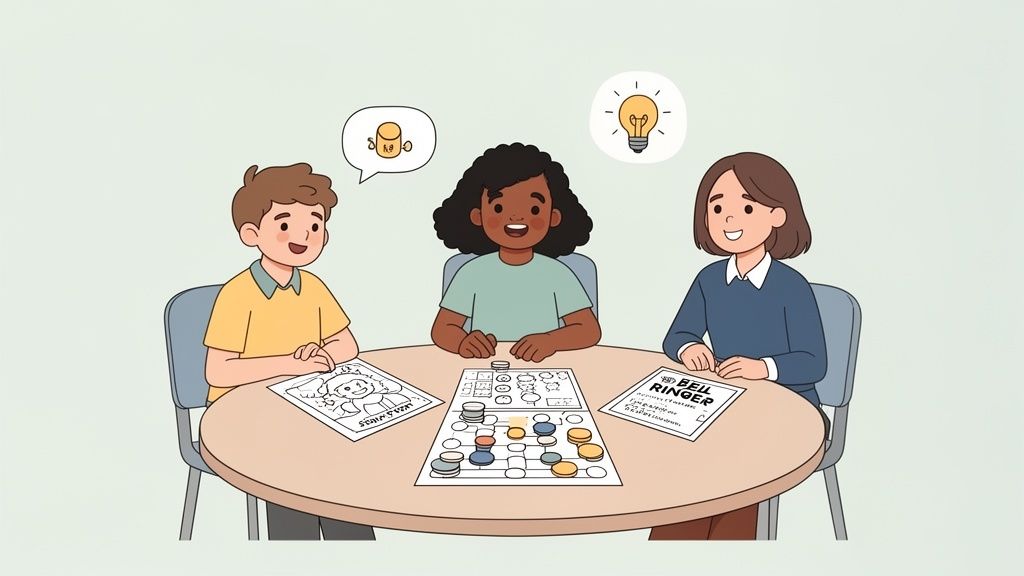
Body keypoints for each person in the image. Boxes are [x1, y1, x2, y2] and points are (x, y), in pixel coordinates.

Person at [652, 152, 828, 540]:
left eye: (747, 206)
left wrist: (763, 367)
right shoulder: (709, 279)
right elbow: (676, 335)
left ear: (777, 215)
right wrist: (689, 349)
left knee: (734, 466)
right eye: (717, 208)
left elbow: (814, 363)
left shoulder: (791, 286)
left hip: (792, 406)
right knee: (682, 460)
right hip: (729, 400)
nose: (729, 219)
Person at [203, 162, 375, 541]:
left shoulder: (312, 286)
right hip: (244, 413)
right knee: (293, 469)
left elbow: (347, 344)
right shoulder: (236, 295)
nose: (303, 235)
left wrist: (320, 349)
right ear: (251, 233)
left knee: (348, 463)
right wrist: (290, 365)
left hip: (303, 404)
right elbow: (218, 372)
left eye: (315, 225)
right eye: (285, 224)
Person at [430, 143, 600, 362]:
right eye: (499, 208)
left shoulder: (558, 274)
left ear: (554, 217)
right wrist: (463, 342)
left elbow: (588, 330)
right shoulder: (470, 273)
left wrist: (551, 340)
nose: (516, 217)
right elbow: (443, 328)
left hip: (547, 369)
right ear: (477, 216)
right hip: (484, 367)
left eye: (534, 209)